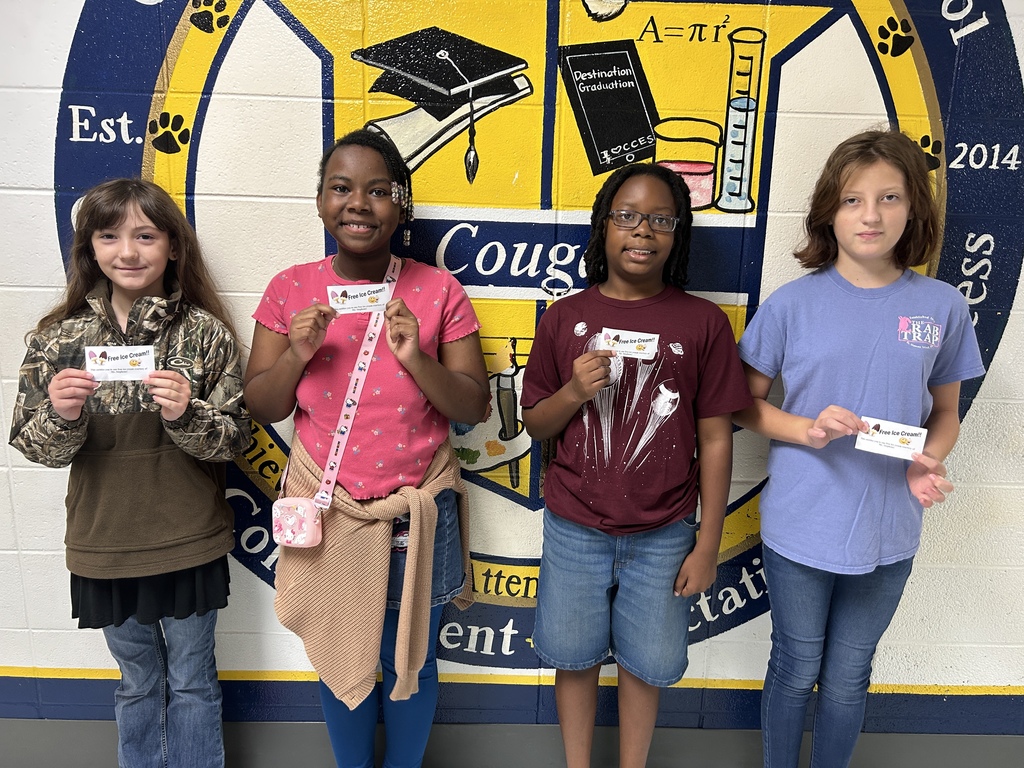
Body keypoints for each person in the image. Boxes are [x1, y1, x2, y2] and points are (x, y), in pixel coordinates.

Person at [734, 129, 985, 768]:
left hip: (889, 527)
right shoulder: (791, 305)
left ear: (914, 209)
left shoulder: (942, 307)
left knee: (849, 675)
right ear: (829, 211)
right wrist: (807, 429)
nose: (870, 215)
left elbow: (946, 412)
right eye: (852, 200)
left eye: (889, 197)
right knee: (795, 666)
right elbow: (742, 404)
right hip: (800, 522)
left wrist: (930, 459)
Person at [243, 129, 489, 768]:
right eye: (341, 188)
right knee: (339, 656)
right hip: (332, 513)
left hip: (416, 509)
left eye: (378, 190)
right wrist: (296, 353)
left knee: (412, 657)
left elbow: (473, 406)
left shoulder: (438, 291)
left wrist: (416, 357)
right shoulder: (290, 288)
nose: (358, 203)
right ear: (320, 201)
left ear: (401, 205)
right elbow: (263, 406)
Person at [9, 178, 250, 768]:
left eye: (146, 236)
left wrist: (186, 413)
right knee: (137, 682)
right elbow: (35, 448)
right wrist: (61, 414)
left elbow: (235, 440)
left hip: (189, 537)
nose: (128, 251)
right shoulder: (58, 340)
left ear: (173, 246)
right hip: (104, 542)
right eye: (109, 236)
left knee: (193, 679)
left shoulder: (205, 334)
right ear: (89, 249)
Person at [520, 163, 753, 768]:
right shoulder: (563, 318)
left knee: (647, 665)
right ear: (604, 226)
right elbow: (536, 424)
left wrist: (708, 544)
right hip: (574, 528)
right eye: (626, 216)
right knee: (572, 658)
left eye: (660, 220)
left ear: (677, 234)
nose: (642, 230)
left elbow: (717, 439)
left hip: (665, 535)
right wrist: (574, 392)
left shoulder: (703, 323)